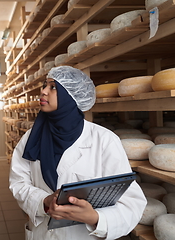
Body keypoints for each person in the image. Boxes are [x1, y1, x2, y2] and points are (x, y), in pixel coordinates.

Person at [9, 66, 146, 240]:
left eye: (53, 87)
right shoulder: (31, 137)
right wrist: (44, 201)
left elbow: (132, 203)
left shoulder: (104, 140)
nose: (43, 92)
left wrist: (95, 218)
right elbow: (18, 181)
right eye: (44, 85)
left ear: (71, 96)